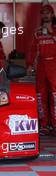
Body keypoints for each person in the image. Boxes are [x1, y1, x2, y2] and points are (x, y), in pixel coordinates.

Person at [27, 4, 56, 135]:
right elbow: (33, 50)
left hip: (54, 64)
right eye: (43, 13)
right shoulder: (37, 32)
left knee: (55, 95)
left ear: (52, 14)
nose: (45, 15)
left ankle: (55, 124)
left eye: (47, 13)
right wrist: (29, 64)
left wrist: (50, 32)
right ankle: (44, 125)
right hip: (41, 66)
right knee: (40, 95)